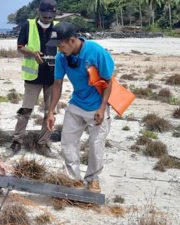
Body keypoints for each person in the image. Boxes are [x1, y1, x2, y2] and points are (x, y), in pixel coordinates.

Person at [46, 22, 114, 193]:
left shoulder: (96, 52)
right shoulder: (62, 57)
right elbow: (57, 83)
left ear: (72, 40)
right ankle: (74, 179)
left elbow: (108, 81)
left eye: (61, 45)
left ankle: (92, 179)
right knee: (67, 142)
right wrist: (51, 111)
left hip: (97, 106)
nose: (59, 49)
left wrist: (102, 108)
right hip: (76, 103)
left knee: (96, 144)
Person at [10, 0, 58, 155]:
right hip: (33, 77)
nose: (47, 19)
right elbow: (20, 47)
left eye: (50, 16)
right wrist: (32, 53)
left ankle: (43, 143)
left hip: (52, 77)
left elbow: (64, 48)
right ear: (39, 12)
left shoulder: (57, 27)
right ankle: (17, 140)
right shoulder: (28, 25)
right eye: (45, 16)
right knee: (25, 110)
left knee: (50, 112)